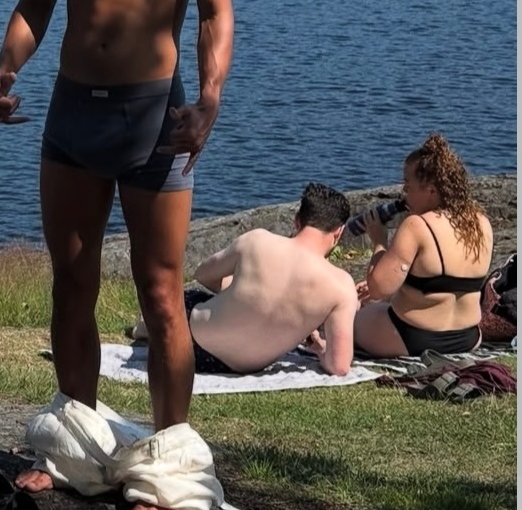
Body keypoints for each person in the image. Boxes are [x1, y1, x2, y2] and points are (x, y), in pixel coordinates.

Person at [0, 0, 234, 510]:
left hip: (154, 113)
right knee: (72, 282)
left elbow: (215, 10)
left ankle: (168, 470)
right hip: (72, 112)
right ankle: (72, 445)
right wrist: (4, 69)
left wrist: (210, 99)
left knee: (161, 294)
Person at [135, 183, 359, 377]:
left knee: (188, 298)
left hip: (188, 346)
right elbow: (339, 366)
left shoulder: (257, 241)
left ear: (297, 221)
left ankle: (145, 329)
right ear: (338, 232)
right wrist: (320, 349)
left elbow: (203, 275)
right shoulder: (342, 286)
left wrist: (240, 289)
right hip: (242, 366)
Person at [353, 133, 493, 357]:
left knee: (351, 316)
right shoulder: (481, 223)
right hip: (467, 338)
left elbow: (378, 289)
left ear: (431, 190)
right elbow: (441, 286)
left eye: (408, 186)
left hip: (415, 338)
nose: (404, 194)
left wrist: (379, 241)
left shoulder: (417, 226)